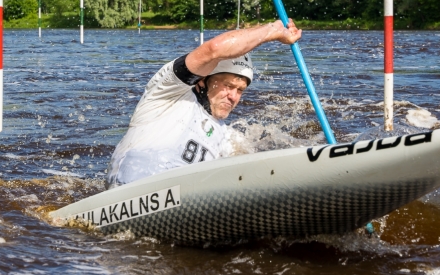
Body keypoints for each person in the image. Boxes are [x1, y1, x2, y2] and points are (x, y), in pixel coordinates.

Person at [105, 19, 302, 189]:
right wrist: (273, 30)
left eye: (240, 90)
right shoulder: (167, 93)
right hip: (125, 193)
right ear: (202, 79)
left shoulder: (226, 136)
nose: (233, 96)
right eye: (227, 85)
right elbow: (214, 50)